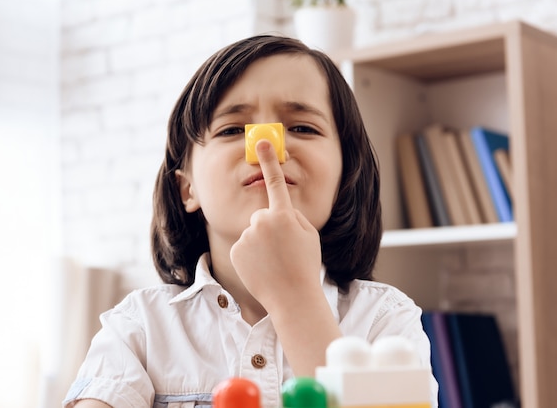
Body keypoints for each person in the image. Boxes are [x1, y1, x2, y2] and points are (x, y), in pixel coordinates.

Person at [63, 34, 438, 408]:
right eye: (231, 130)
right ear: (186, 189)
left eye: (303, 128)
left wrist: (296, 298)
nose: (266, 146)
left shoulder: (386, 321)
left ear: (345, 175)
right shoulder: (140, 327)